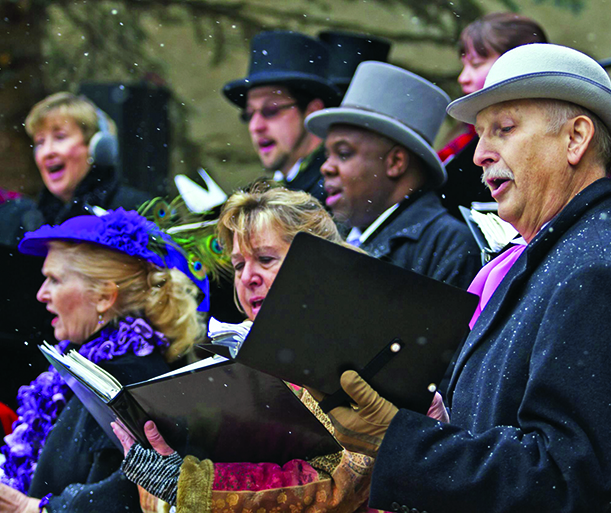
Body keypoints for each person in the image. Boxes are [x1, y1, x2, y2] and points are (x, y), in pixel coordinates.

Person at [315, 44, 611, 512]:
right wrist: (440, 423)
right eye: (480, 134)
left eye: (505, 129)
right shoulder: (566, 253)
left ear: (576, 138)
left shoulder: (597, 270)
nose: (479, 154)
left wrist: (399, 439)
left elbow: (561, 480)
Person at [112, 185, 448, 513]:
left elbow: (339, 486)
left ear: (320, 265)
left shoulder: (367, 353)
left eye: (265, 259)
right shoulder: (231, 356)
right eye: (239, 265)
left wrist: (189, 484)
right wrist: (163, 471)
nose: (247, 277)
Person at [0, 208, 206, 512]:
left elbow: (125, 500)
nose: (41, 294)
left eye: (54, 280)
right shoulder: (88, 369)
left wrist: (27, 508)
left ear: (103, 297)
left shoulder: (123, 383)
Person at [306, 61, 481, 289]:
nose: (326, 167)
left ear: (396, 162)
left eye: (344, 153)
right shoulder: (327, 238)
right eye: (327, 155)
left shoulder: (449, 246)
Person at [0, 93, 150, 246]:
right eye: (40, 142)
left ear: (97, 146)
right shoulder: (27, 223)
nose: (47, 152)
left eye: (60, 137)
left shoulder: (137, 212)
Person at [439, 12, 549, 215]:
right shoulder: (463, 138)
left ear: (517, 65)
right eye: (464, 65)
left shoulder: (543, 140)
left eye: (476, 64)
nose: (463, 78)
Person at [222, 31, 341, 203]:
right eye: (249, 114)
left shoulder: (332, 190)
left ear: (312, 110)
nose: (255, 126)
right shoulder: (279, 188)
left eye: (271, 110)